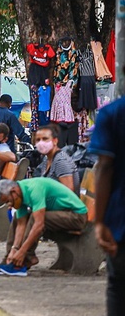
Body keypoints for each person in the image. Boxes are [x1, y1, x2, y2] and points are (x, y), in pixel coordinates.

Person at [0, 177, 87, 277]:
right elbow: (21, 225)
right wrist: (14, 249)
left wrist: (22, 252)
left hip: (76, 217)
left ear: (14, 191)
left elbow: (39, 225)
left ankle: (22, 262)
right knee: (17, 218)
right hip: (61, 215)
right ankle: (9, 260)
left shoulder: (34, 189)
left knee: (35, 219)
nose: (9, 205)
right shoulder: (20, 193)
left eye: (8, 201)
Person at [87, 92, 125, 315]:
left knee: (118, 288)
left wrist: (99, 221)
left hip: (120, 222)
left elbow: (104, 167)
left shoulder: (113, 113)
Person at [32, 124, 79, 193]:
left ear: (55, 141)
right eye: (38, 140)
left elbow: (68, 195)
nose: (41, 143)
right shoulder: (47, 159)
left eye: (45, 139)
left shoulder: (61, 161)